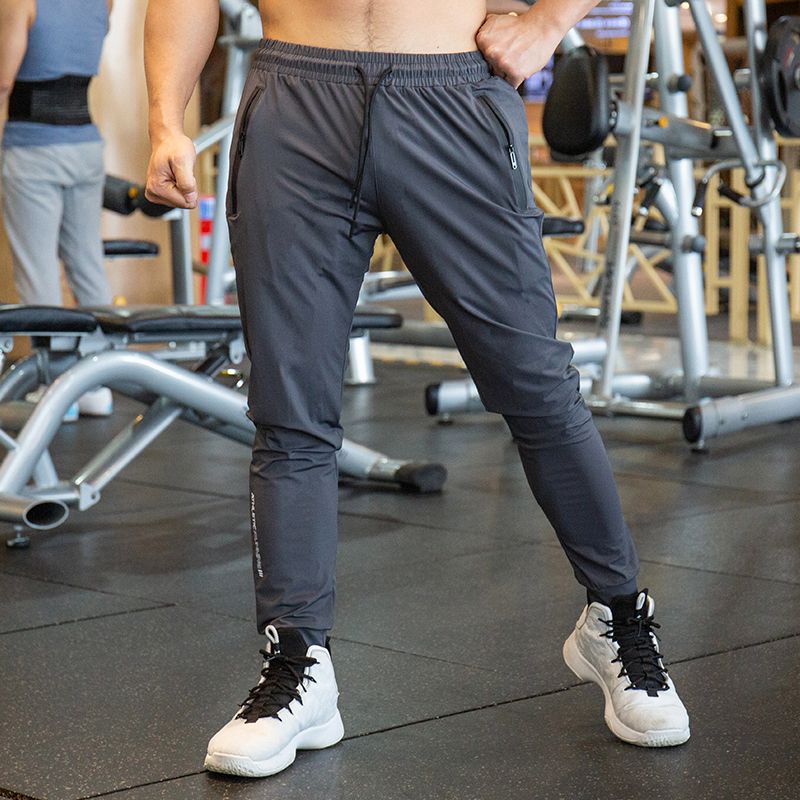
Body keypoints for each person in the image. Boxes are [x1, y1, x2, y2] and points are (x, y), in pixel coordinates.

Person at [144, 0, 691, 778]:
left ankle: (618, 620)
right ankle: (298, 665)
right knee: (289, 409)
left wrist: (546, 23)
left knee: (538, 384)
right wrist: (165, 117)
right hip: (296, 99)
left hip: (452, 95)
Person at [0, 0, 114, 417]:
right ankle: (97, 385)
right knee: (87, 264)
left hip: (33, 149)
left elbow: (3, 81)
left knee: (38, 272)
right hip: (86, 146)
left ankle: (56, 390)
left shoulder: (22, 2)